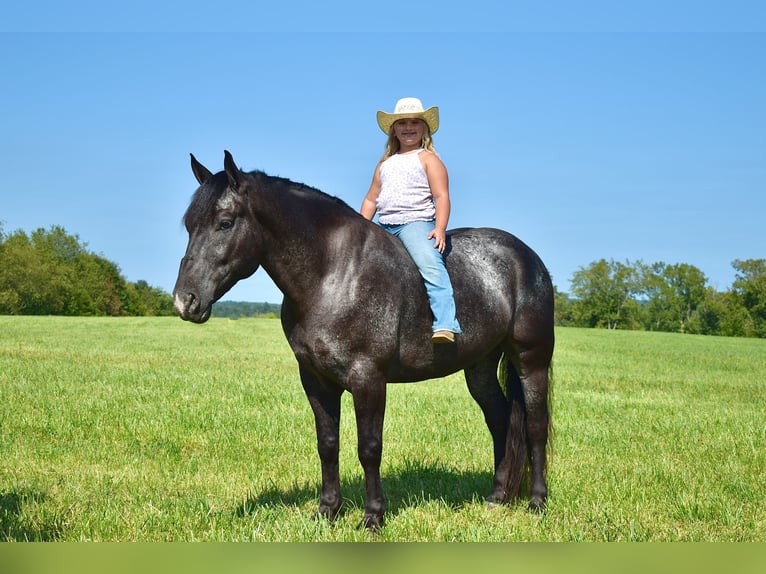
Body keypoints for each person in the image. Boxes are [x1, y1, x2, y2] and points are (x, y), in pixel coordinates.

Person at [360, 97, 462, 344]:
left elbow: (441, 196)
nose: (408, 127)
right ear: (393, 129)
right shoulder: (385, 163)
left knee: (429, 263)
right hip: (385, 223)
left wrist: (439, 227)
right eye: (402, 123)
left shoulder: (427, 159)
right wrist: (360, 227)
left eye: (414, 122)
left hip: (415, 222)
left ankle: (445, 323)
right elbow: (372, 199)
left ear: (424, 128)